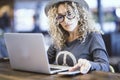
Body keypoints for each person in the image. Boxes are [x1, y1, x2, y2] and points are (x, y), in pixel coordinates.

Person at [45, 0, 110, 74]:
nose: (66, 20)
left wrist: (90, 64)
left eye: (69, 13)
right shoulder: (59, 38)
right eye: (60, 17)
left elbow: (105, 66)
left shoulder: (93, 37)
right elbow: (44, 62)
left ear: (79, 14)